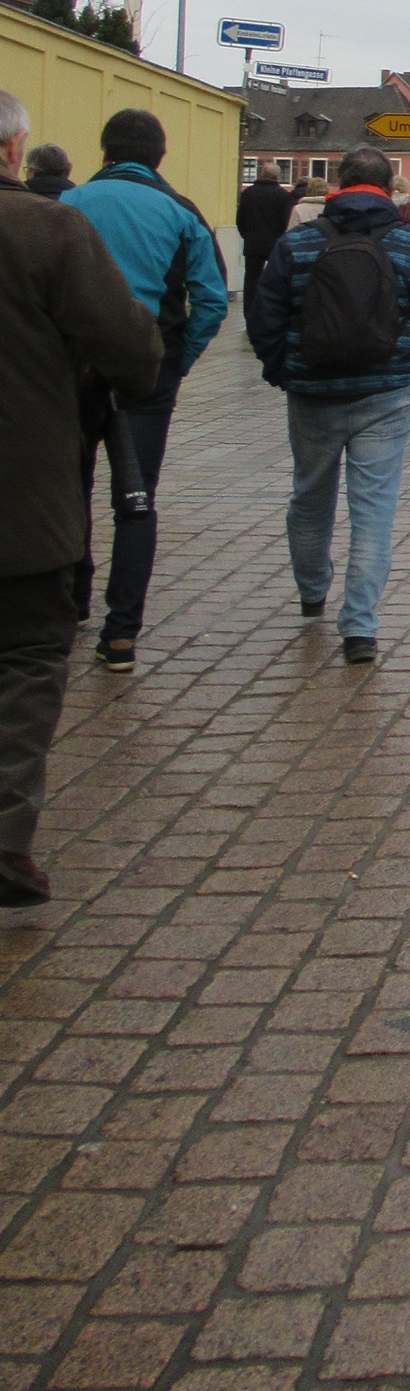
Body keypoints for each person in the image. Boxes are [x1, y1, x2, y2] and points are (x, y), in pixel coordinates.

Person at [0, 92, 163, 903]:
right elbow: (132, 348)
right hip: (24, 495)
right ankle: (4, 842)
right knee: (29, 657)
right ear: (14, 149)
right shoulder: (48, 230)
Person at [248, 144, 410, 664]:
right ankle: (360, 627)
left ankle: (311, 592)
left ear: (339, 185)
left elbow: (264, 316)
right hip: (386, 396)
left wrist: (282, 371)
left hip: (312, 393)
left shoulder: (298, 242)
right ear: (388, 190)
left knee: (310, 496)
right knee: (373, 511)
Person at [65, 110, 229, 673]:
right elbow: (212, 301)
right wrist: (178, 361)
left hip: (75, 371)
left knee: (71, 487)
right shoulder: (182, 212)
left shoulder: (67, 205)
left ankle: (72, 602)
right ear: (160, 157)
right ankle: (120, 636)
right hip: (147, 373)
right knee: (136, 499)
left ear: (105, 152)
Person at [236, 162, 298, 315]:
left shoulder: (248, 194)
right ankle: (271, 312)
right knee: (275, 280)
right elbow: (286, 222)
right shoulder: (284, 196)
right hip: (275, 245)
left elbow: (240, 220)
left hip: (253, 244)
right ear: (277, 177)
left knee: (251, 280)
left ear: (262, 174)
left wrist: (247, 236)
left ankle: (249, 313)